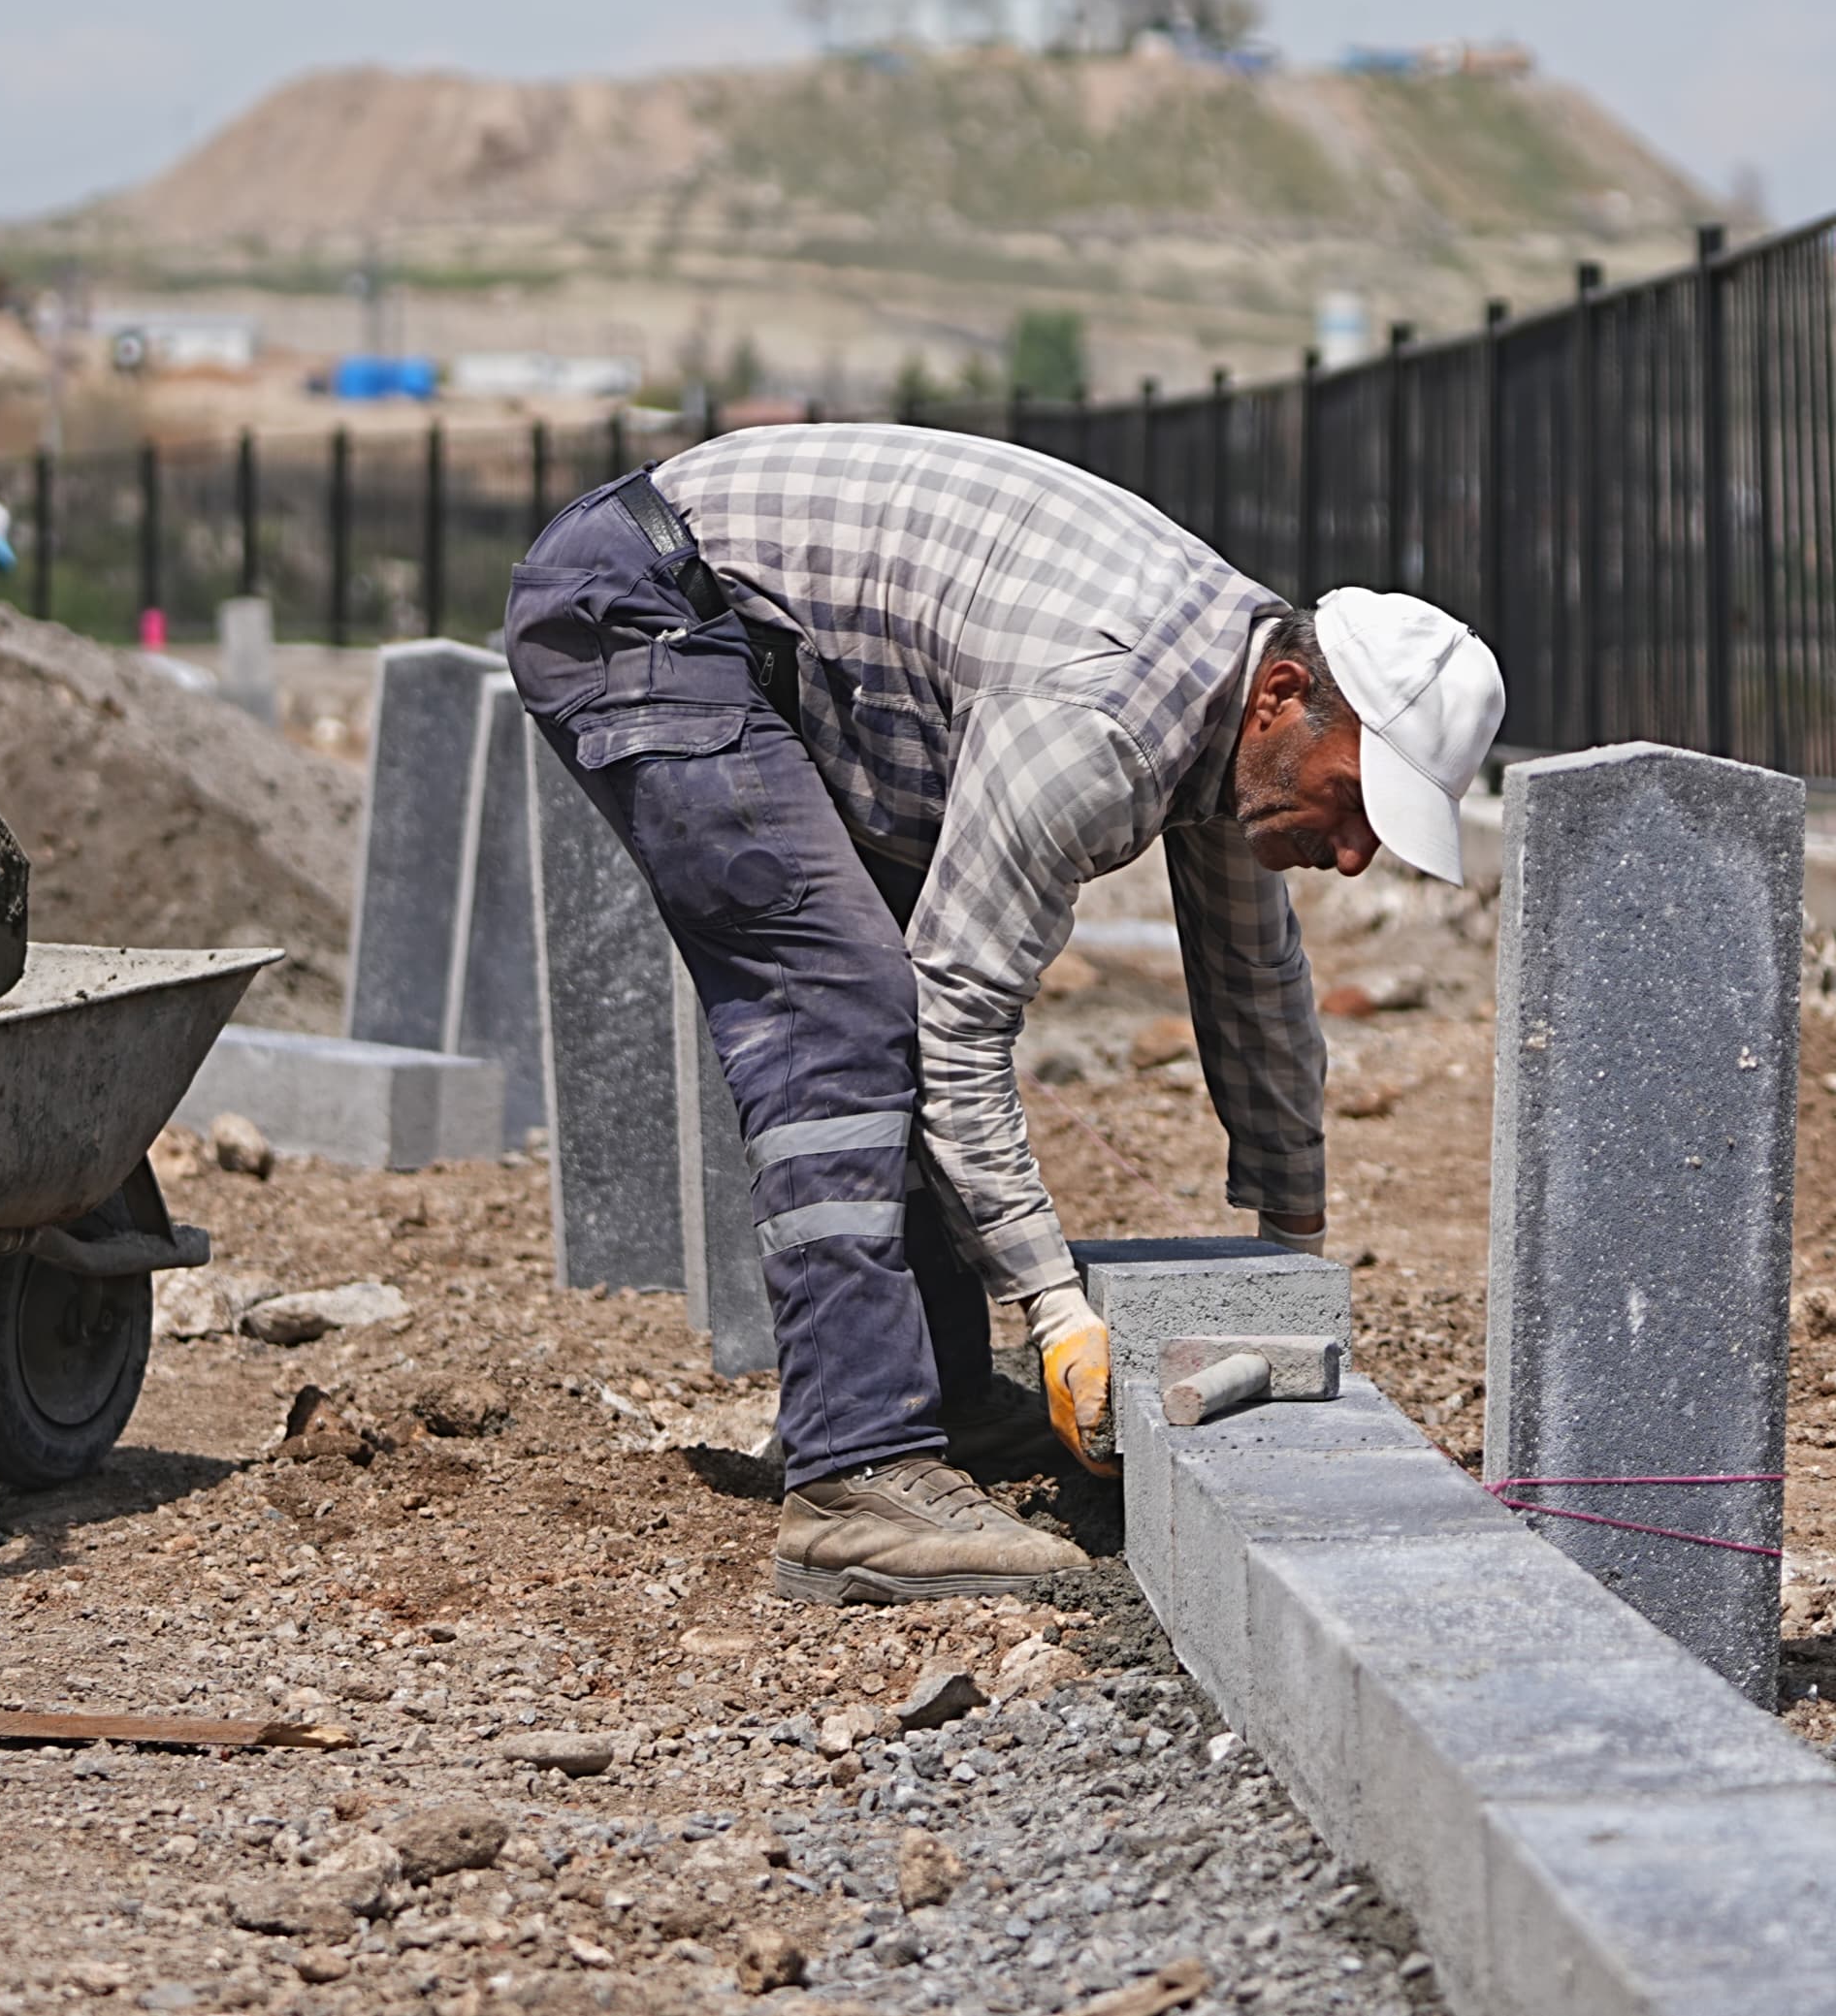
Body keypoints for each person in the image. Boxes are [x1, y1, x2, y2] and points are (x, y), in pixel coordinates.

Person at [500, 423, 1504, 1604]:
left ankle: (941, 1399)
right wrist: (1056, 1308)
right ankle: (856, 1470)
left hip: (776, 641)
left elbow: (1253, 980)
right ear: (1285, 697)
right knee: (844, 1002)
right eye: (1351, 806)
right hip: (650, 611)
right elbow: (954, 1020)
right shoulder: (1104, 725)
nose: (1347, 855)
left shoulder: (1240, 708)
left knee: (881, 977)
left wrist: (1288, 1254)